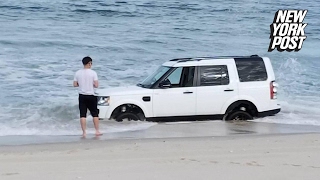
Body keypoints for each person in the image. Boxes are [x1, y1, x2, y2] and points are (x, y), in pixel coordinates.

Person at [73, 56, 102, 137]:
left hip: (82, 95)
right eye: (91, 63)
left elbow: (75, 84)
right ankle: (97, 131)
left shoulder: (78, 72)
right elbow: (96, 85)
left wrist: (81, 84)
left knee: (83, 114)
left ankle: (84, 133)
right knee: (95, 114)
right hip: (91, 95)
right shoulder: (93, 73)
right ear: (89, 63)